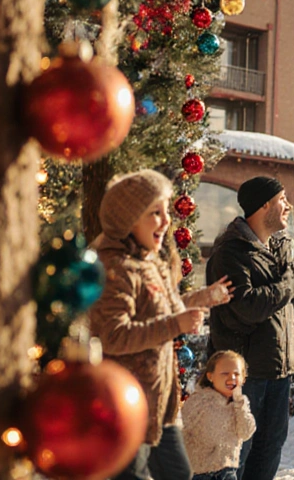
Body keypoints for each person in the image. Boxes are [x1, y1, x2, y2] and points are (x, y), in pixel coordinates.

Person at [90, 169, 233, 480]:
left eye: (166, 210)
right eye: (155, 212)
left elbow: (167, 309)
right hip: (125, 406)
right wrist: (175, 324)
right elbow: (113, 335)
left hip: (159, 407)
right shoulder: (116, 268)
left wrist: (203, 297)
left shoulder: (149, 263)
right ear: (128, 219)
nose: (166, 220)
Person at [206, 177, 294, 480]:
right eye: (282, 198)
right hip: (244, 373)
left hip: (278, 371)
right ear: (264, 205)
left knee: (270, 449)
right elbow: (246, 307)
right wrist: (286, 287)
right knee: (237, 453)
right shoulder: (231, 251)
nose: (287, 205)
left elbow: (293, 305)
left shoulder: (281, 247)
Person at [183, 351, 258, 480]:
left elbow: (246, 432)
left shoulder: (240, 404)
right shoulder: (200, 400)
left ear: (243, 379)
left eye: (237, 374)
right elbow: (181, 428)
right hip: (200, 472)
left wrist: (240, 405)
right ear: (210, 376)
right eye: (225, 373)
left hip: (228, 471)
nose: (232, 378)